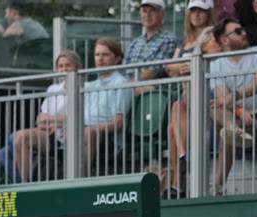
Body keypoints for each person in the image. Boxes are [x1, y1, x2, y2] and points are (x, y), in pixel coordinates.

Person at [208, 19, 257, 195]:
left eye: (242, 30)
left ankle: (217, 188)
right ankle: (236, 130)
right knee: (215, 110)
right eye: (238, 31)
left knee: (226, 130)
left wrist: (235, 97)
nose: (244, 33)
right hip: (240, 118)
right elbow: (220, 100)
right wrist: (240, 111)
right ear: (224, 40)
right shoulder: (216, 64)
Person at [164, 0, 222, 198]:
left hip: (207, 94)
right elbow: (168, 67)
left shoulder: (212, 34)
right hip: (188, 98)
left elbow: (212, 56)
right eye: (193, 11)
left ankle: (178, 180)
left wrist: (184, 66)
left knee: (174, 121)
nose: (196, 15)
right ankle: (182, 159)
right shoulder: (185, 40)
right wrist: (182, 67)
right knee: (173, 124)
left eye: (201, 11)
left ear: (209, 13)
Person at [10, 49, 82, 183]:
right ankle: (23, 182)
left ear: (77, 68)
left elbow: (78, 116)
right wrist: (51, 123)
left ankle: (26, 183)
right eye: (61, 66)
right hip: (49, 133)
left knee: (17, 139)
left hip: (67, 135)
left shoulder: (84, 88)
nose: (64, 69)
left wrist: (52, 120)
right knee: (6, 150)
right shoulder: (53, 89)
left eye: (68, 65)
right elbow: (40, 118)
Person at [83, 38, 133, 176]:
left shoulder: (122, 83)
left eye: (105, 55)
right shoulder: (91, 85)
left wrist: (92, 128)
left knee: (87, 133)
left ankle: (77, 179)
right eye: (97, 55)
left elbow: (118, 123)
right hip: (83, 131)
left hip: (107, 138)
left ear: (117, 58)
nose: (100, 59)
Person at [123, 0, 180, 83]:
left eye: (152, 11)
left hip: (154, 91)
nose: (147, 15)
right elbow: (123, 70)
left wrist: (131, 84)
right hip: (130, 89)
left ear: (162, 14)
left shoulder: (169, 40)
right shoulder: (134, 43)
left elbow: (157, 70)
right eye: (144, 11)